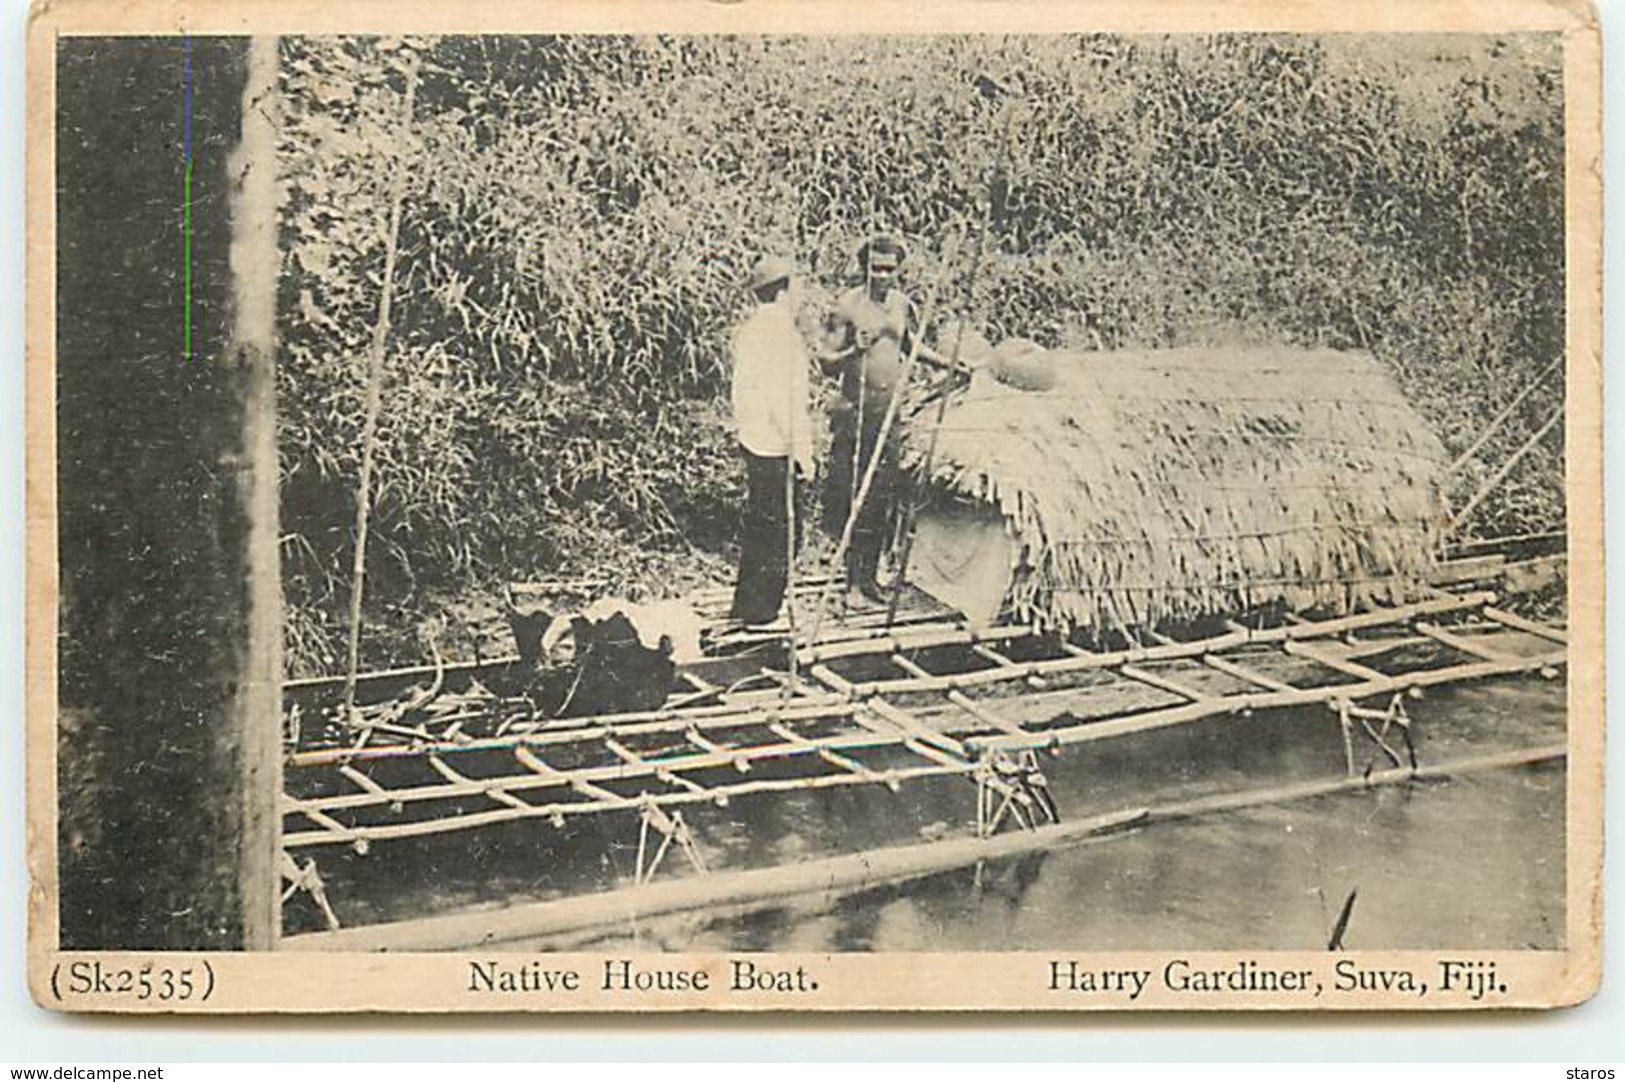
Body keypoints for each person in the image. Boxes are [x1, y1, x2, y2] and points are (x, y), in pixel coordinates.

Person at [818, 233, 949, 605]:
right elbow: (825, 362)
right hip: (855, 416)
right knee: (851, 496)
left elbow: (910, 344)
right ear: (864, 267)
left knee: (880, 497)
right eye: (875, 268)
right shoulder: (847, 306)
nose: (882, 276)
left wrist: (950, 363)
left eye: (889, 269)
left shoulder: (900, 305)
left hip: (888, 415)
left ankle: (870, 578)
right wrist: (850, 350)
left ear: (898, 271)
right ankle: (851, 584)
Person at [728, 254, 814, 627]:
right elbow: (786, 401)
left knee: (762, 530)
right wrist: (803, 453)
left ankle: (749, 607)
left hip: (756, 440)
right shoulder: (781, 334)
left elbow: (741, 392)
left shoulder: (752, 330)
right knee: (780, 534)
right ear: (784, 290)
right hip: (776, 445)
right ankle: (763, 613)